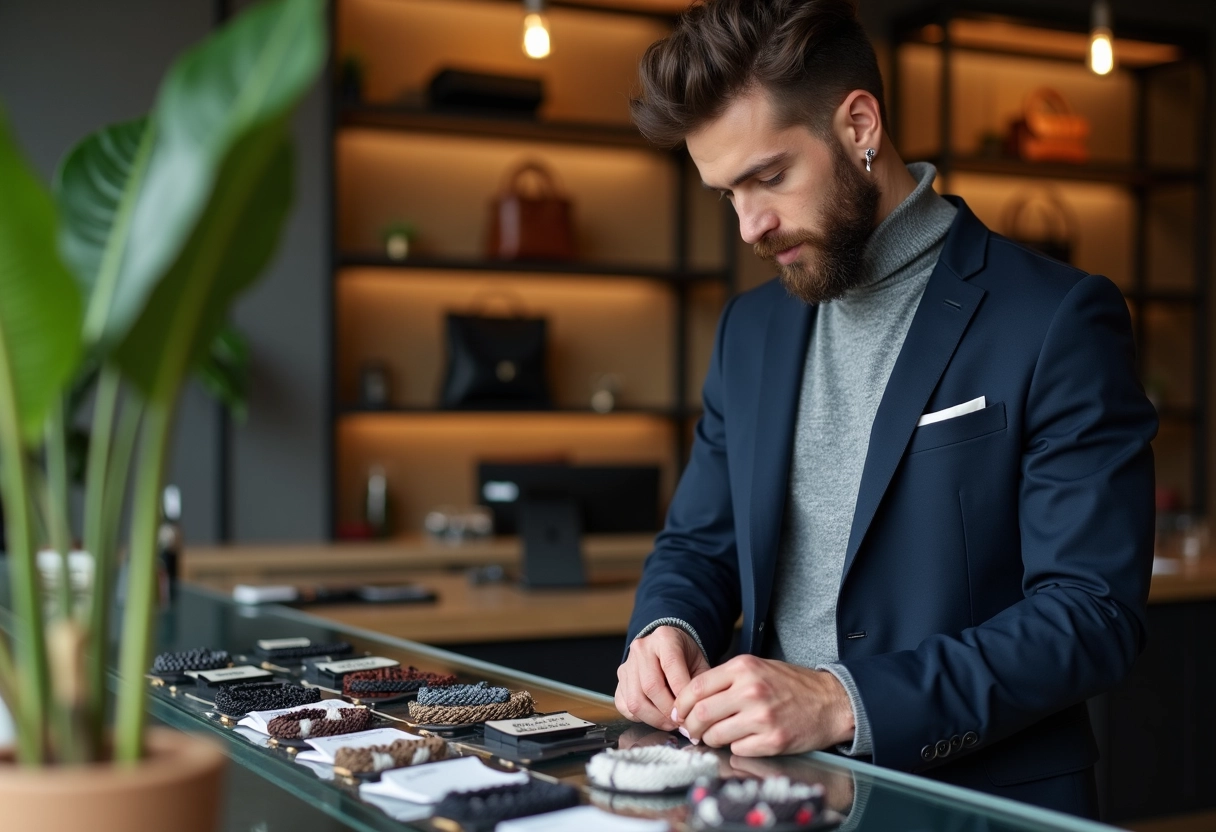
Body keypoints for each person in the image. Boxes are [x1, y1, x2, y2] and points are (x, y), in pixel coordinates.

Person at [615, 0, 1157, 817]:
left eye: (768, 177)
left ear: (859, 124)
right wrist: (667, 630)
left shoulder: (1056, 318)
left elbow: (1091, 615)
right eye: (726, 193)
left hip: (980, 804)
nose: (750, 225)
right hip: (768, 800)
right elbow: (699, 542)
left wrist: (843, 700)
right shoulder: (749, 330)